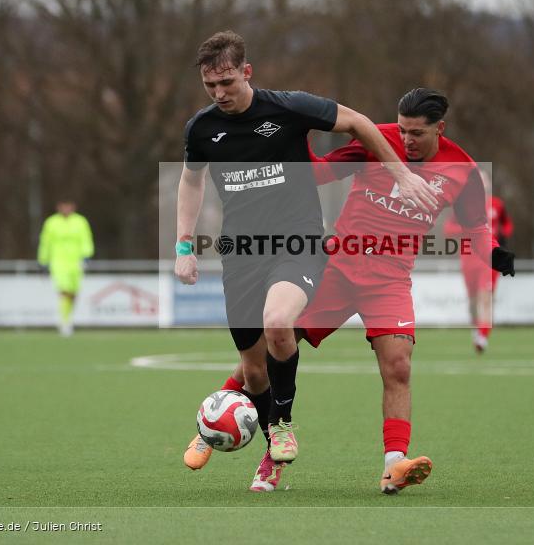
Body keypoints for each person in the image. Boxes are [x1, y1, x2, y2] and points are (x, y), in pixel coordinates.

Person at [184, 88, 515, 495]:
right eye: (403, 129)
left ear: (439, 129)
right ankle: (217, 424)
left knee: (399, 367)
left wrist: (495, 255)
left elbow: (477, 228)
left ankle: (394, 466)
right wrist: (292, 139)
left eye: (416, 133)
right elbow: (320, 172)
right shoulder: (379, 140)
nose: (406, 139)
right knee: (272, 347)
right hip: (336, 269)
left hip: (390, 279)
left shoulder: (462, 170)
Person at [175, 31, 438, 492]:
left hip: (296, 245)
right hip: (240, 254)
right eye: (210, 85)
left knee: (279, 322)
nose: (220, 93)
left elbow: (357, 122)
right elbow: (191, 181)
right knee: (254, 368)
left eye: (227, 82)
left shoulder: (289, 107)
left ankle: (281, 424)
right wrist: (183, 244)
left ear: (247, 72)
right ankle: (259, 441)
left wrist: (399, 172)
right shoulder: (201, 128)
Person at [444, 182, 514, 353]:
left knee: (486, 297)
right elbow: (448, 229)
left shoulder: (497, 204)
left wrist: (503, 234)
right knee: (474, 302)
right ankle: (478, 328)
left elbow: (507, 224)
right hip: (469, 259)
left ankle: (482, 336)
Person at [37, 199, 94, 337]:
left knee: (73, 293)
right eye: (63, 206)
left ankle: (68, 318)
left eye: (69, 206)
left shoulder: (80, 222)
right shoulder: (51, 223)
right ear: (59, 207)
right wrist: (43, 260)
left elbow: (86, 239)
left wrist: (87, 255)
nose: (66, 209)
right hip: (58, 262)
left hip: (75, 263)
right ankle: (65, 322)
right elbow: (45, 242)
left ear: (73, 207)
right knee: (64, 291)